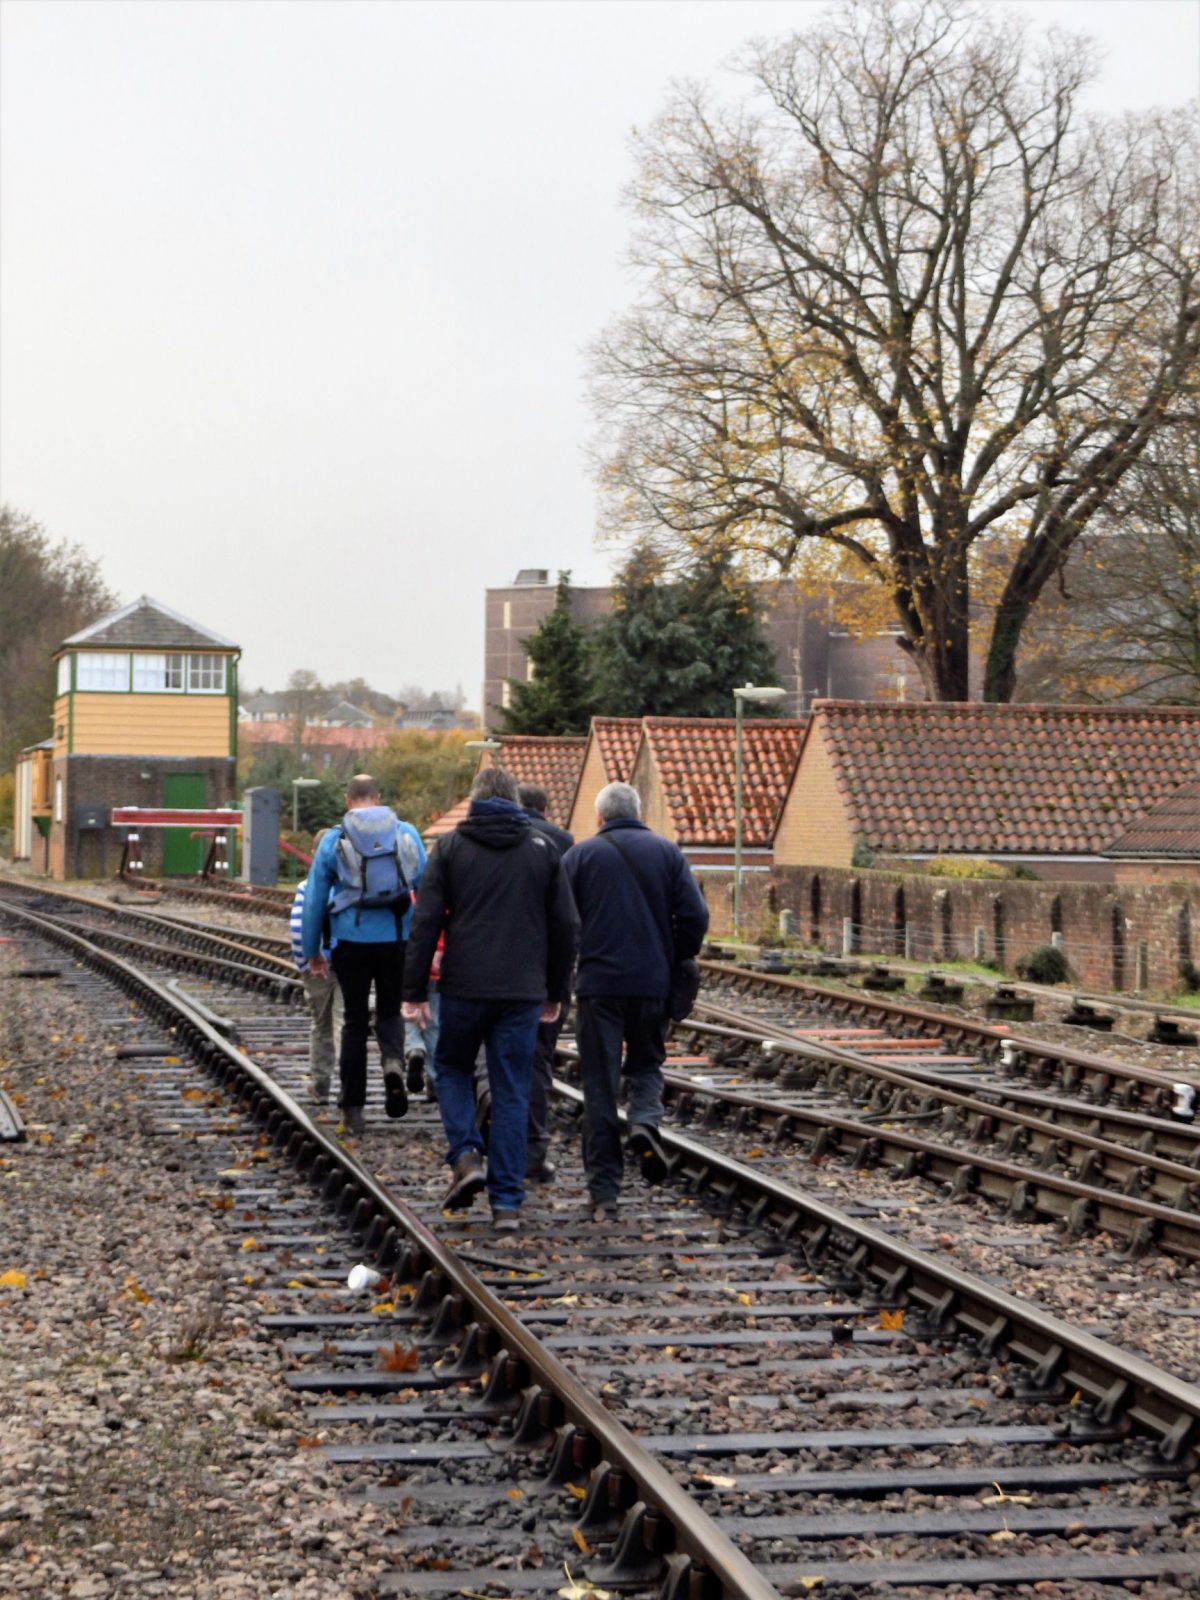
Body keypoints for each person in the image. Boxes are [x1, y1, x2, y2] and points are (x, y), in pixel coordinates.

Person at [402, 765, 578, 1232]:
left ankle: (465, 1155)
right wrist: (555, 992)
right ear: (515, 801)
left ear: (476, 799)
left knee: (455, 1068)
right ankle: (507, 1205)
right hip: (522, 992)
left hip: (463, 987)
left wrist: (414, 992)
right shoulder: (543, 850)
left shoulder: (451, 848)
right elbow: (566, 928)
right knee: (513, 1087)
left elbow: (425, 922)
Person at [561, 781, 709, 1223]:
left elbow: (563, 921)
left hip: (599, 987)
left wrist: (571, 965)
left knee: (600, 1087)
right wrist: (675, 953)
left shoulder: (580, 856)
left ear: (601, 818)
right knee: (646, 1064)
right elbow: (696, 916)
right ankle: (644, 1122)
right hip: (651, 984)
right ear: (639, 813)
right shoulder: (667, 853)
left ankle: (604, 1192)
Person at [301, 774, 426, 1139]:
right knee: (390, 1011)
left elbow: (313, 900)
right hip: (397, 940)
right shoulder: (407, 833)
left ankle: (353, 1110)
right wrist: (427, 944)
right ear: (378, 797)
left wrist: (313, 951)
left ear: (347, 799)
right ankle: (392, 1064)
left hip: (349, 943)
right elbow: (429, 890)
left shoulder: (334, 839)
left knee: (354, 1022)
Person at [516, 782, 573, 1183]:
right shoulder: (563, 842)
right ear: (546, 808)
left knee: (491, 1059)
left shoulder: (481, 839)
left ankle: (488, 1140)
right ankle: (533, 1152)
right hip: (546, 970)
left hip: (494, 970)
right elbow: (569, 919)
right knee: (538, 1062)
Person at [288, 828, 342, 1104]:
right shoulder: (349, 883)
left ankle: (321, 1084)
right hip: (346, 960)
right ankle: (349, 1084)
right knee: (344, 1023)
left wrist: (305, 962)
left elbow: (298, 928)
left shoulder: (307, 886)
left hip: (316, 965)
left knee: (321, 1024)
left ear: (314, 854)